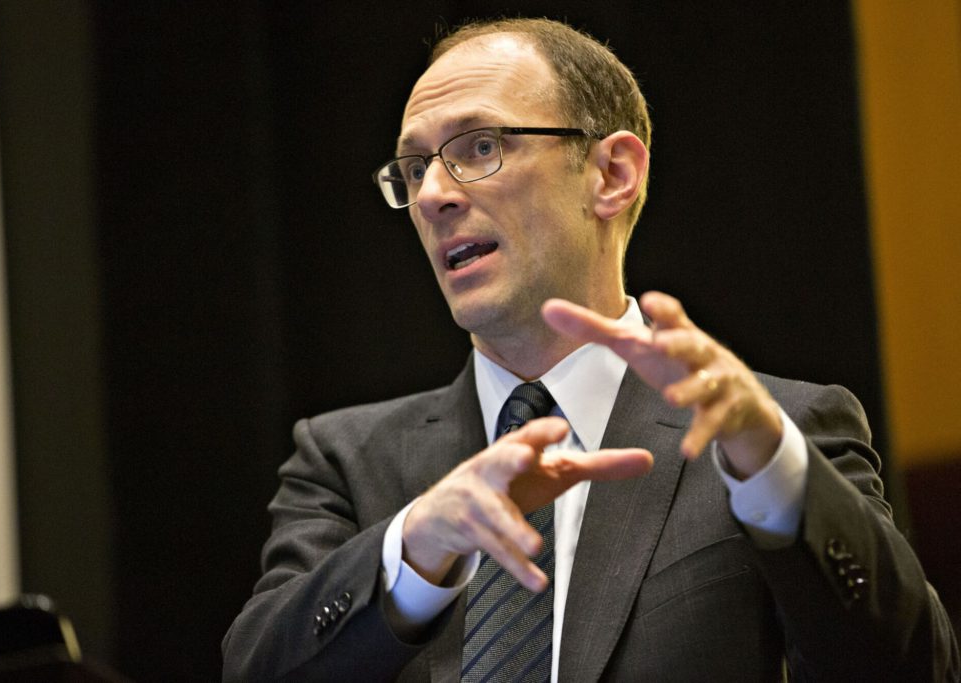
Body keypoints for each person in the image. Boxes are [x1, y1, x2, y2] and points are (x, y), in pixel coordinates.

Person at [223, 17, 958, 682]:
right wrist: (416, 545)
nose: (433, 195)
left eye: (481, 147)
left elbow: (912, 668)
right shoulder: (346, 462)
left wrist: (773, 468)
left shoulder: (771, 434)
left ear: (612, 175)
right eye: (415, 168)